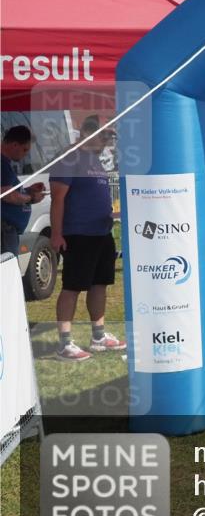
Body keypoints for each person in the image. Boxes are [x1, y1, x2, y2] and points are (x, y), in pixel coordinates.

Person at [49, 116, 126, 361]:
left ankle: (99, 336)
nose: (108, 141)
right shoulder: (68, 157)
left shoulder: (94, 160)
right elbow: (58, 198)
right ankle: (65, 344)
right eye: (105, 135)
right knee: (72, 287)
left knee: (99, 284)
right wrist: (56, 233)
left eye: (110, 136)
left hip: (101, 233)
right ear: (87, 132)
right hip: (78, 234)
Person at [1, 126, 46, 256]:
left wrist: (27, 191)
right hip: (4, 230)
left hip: (8, 230)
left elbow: (9, 190)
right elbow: (6, 194)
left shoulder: (6, 163)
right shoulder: (2, 164)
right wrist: (31, 198)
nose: (26, 154)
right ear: (15, 145)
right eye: (24, 149)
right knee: (8, 266)